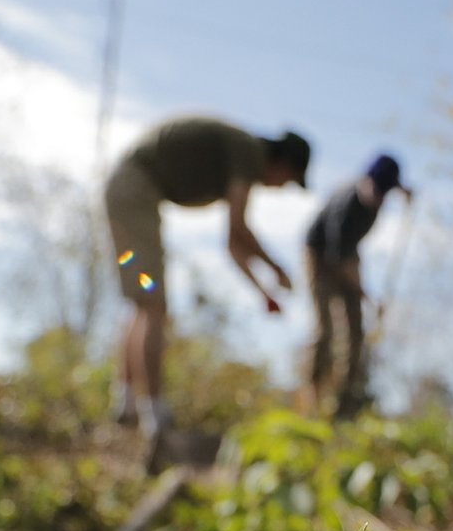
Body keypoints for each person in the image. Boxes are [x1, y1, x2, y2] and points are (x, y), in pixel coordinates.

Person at [104, 115, 310, 437]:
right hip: (135, 188)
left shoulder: (243, 153)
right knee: (153, 305)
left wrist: (263, 292)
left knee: (145, 305)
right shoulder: (249, 154)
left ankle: (128, 406)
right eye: (288, 180)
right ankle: (155, 416)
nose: (280, 187)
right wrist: (276, 268)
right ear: (283, 164)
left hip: (127, 187)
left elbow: (231, 244)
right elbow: (238, 230)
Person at [304, 151, 409, 418]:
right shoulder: (346, 203)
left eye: (385, 193)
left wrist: (406, 194)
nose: (379, 198)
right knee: (325, 329)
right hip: (320, 255)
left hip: (349, 255)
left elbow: (400, 187)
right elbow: (338, 259)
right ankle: (314, 398)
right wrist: (366, 295)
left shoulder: (385, 185)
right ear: (366, 179)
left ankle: (343, 406)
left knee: (356, 333)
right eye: (377, 190)